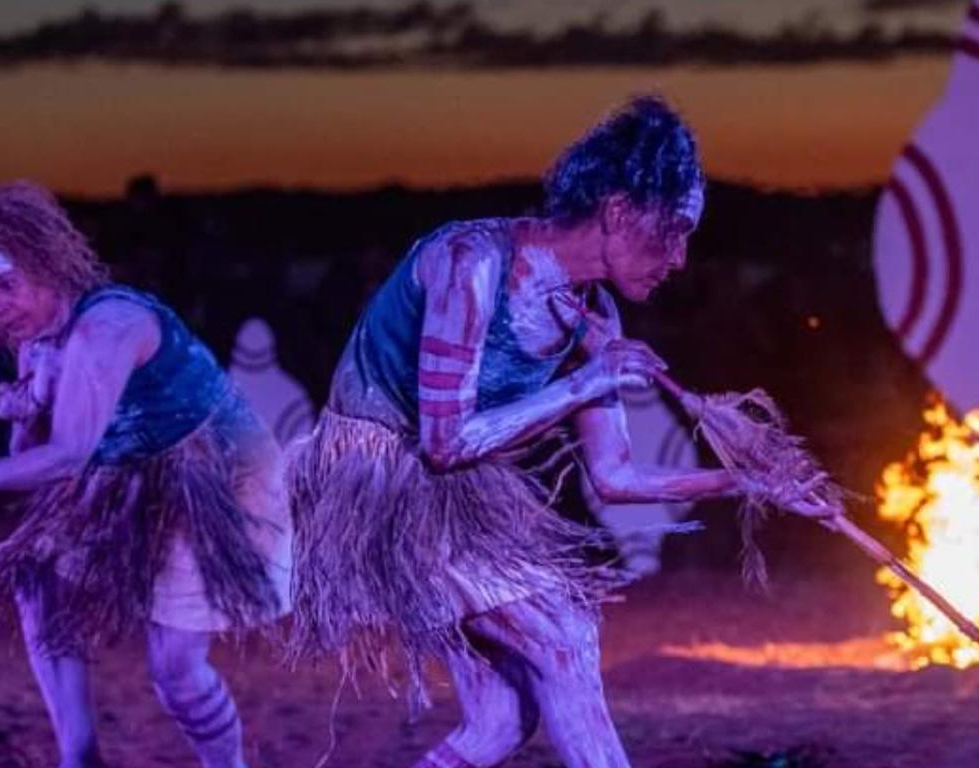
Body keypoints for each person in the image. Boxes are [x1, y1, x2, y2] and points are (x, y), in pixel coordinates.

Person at [288, 96, 828, 768]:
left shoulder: (591, 314)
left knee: (500, 721)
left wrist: (751, 480)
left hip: (451, 500)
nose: (682, 259)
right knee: (564, 635)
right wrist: (587, 382)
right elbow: (444, 441)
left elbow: (615, 477)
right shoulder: (472, 264)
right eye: (675, 230)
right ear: (619, 213)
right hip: (379, 487)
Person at [0, 181, 292, 768]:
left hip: (220, 481)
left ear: (50, 264)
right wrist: (27, 407)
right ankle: (80, 755)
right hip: (129, 481)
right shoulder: (33, 336)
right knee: (35, 573)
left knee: (175, 667)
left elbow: (69, 455)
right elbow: (39, 459)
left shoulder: (106, 328)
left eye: (6, 285)